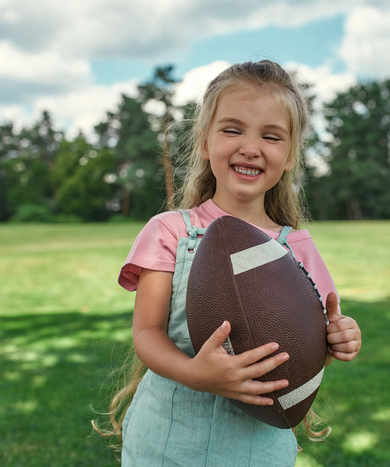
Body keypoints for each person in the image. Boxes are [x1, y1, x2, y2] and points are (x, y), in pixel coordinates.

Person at [98, 60, 361, 466]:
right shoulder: (170, 231)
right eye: (232, 129)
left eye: (271, 136)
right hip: (166, 441)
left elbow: (303, 348)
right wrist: (196, 374)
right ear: (204, 142)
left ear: (290, 155)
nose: (250, 147)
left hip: (256, 451)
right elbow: (147, 333)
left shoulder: (299, 248)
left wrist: (337, 340)